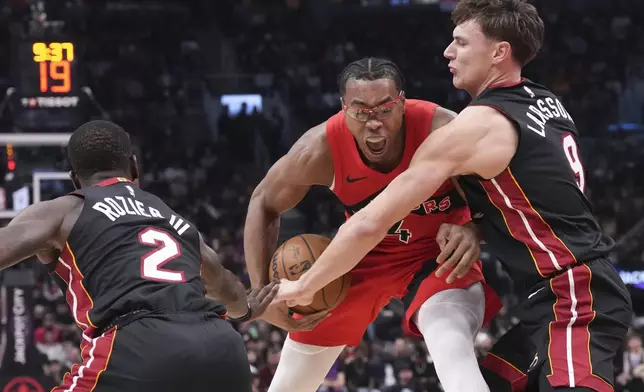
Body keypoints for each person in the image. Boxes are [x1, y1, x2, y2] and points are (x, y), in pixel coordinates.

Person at [275, 1, 633, 391]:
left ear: (499, 52)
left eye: (461, 42)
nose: (448, 51)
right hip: (549, 301)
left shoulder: (475, 127)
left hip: (573, 296)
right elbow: (535, 193)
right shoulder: (544, 102)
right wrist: (476, 228)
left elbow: (370, 222)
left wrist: (303, 287)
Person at [244, 57, 500, 392]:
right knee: (292, 373)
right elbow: (262, 202)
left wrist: (475, 230)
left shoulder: (442, 128)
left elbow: (507, 193)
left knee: (449, 343)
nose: (373, 122)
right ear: (343, 108)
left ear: (403, 103)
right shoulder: (320, 148)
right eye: (361, 111)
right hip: (365, 256)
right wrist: (260, 292)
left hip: (439, 254)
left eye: (384, 108)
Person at [0, 120, 278, 392]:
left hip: (138, 346)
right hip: (223, 349)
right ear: (134, 166)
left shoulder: (63, 210)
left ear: (75, 179)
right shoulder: (173, 219)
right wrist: (249, 309)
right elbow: (229, 292)